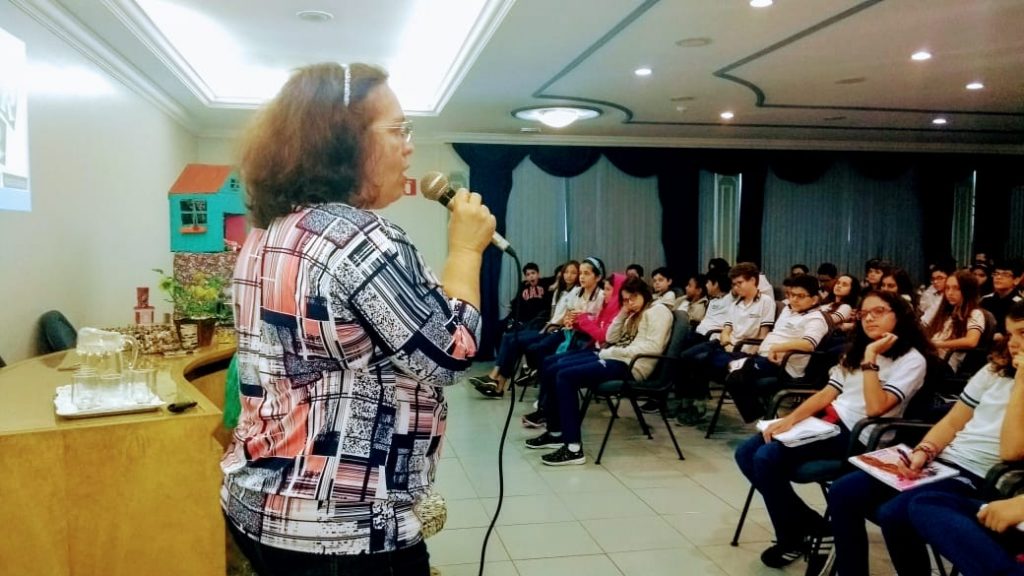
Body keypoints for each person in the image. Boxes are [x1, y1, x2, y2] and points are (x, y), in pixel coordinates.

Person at [220, 63, 496, 576]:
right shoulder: (362, 238)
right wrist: (466, 252)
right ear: (341, 143)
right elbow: (452, 354)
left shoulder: (264, 235)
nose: (409, 146)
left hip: (262, 501)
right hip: (343, 528)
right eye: (397, 130)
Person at [734, 290, 931, 570]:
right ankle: (811, 526)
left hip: (862, 435)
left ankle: (791, 537)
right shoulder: (855, 350)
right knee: (747, 453)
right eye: (865, 313)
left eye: (880, 311)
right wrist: (790, 420)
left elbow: (876, 408)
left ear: (899, 316)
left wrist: (871, 358)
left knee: (767, 457)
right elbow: (828, 392)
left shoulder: (911, 359)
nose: (870, 318)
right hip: (829, 422)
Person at [828, 301, 1024, 576]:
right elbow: (954, 420)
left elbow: (1011, 453)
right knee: (843, 491)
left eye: (1023, 334)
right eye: (1011, 334)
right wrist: (924, 451)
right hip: (946, 462)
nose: (1013, 344)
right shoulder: (995, 370)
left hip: (983, 476)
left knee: (895, 514)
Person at [524, 276, 672, 465]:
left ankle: (573, 448)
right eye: (625, 300)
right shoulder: (634, 312)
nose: (630, 303)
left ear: (644, 294)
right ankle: (556, 432)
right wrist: (623, 313)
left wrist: (613, 352)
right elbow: (611, 336)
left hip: (631, 366)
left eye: (633, 298)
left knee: (565, 376)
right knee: (553, 367)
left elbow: (651, 348)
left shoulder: (658, 312)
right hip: (616, 356)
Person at [723, 274, 830, 422]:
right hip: (765, 358)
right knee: (729, 371)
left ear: (814, 299)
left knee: (734, 376)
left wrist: (777, 348)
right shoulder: (788, 310)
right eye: (791, 295)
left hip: (783, 366)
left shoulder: (816, 318)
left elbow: (808, 344)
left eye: (800, 296)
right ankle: (763, 416)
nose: (794, 299)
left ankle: (761, 417)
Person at [470, 260, 579, 396]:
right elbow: (553, 314)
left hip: (553, 330)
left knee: (513, 340)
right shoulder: (559, 292)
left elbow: (569, 316)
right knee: (509, 337)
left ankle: (497, 383)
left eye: (573, 273)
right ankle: (495, 380)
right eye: (566, 272)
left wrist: (551, 325)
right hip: (544, 326)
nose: (568, 275)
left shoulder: (575, 292)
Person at [926, 269, 985, 374]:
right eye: (947, 288)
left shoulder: (975, 313)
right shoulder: (946, 313)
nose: (950, 293)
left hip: (946, 364)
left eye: (956, 288)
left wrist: (938, 344)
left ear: (967, 290)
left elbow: (971, 341)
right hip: (931, 356)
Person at [983, 258, 1024, 341]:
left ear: (1016, 280)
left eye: (1005, 274)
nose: (998, 277)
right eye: (996, 273)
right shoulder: (985, 300)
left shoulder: (1020, 304)